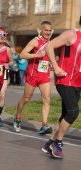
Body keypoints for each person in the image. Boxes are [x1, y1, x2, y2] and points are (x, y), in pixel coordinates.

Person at [42, 17, 81, 159]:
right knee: (73, 112)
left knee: (66, 115)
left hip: (77, 83)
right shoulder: (72, 34)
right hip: (65, 80)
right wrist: (56, 66)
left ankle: (50, 143)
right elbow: (49, 46)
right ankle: (58, 143)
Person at [12, 21, 53, 135]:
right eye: (46, 30)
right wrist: (36, 55)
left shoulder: (50, 43)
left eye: (50, 30)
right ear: (41, 30)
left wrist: (49, 63)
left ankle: (44, 125)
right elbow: (22, 55)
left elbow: (48, 57)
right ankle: (17, 117)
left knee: (47, 99)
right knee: (26, 98)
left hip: (44, 74)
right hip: (32, 74)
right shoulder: (35, 41)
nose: (48, 32)